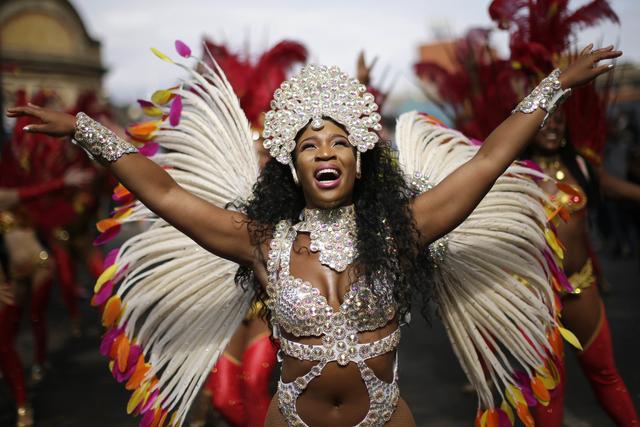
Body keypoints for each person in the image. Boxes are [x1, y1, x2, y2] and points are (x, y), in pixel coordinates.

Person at [6, 42, 619, 426]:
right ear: (292, 166)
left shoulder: (402, 228)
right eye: (308, 144)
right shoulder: (260, 239)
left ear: (359, 157)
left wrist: (554, 87)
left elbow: (486, 163)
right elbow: (165, 194)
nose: (324, 151)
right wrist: (84, 128)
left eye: (337, 141)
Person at [526, 111, 640, 426]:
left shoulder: (580, 166)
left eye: (559, 120)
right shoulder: (512, 172)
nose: (552, 127)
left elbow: (619, 188)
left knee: (604, 373)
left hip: (581, 286)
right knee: (549, 388)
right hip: (538, 297)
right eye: (544, 120)